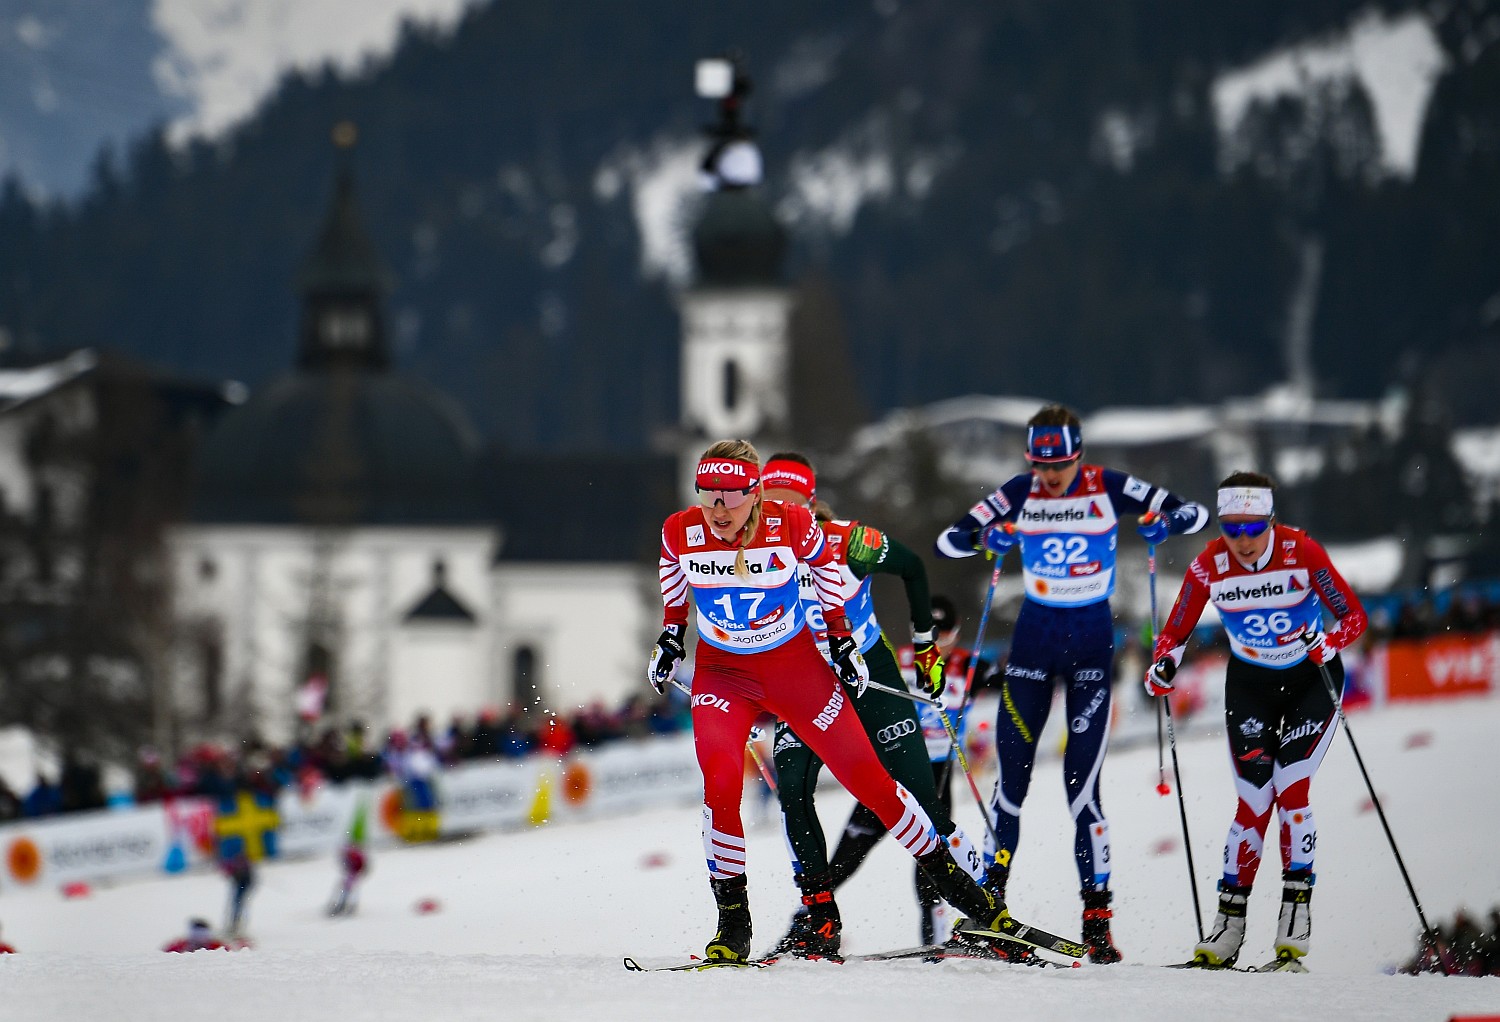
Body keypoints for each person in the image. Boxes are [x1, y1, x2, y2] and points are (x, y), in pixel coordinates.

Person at [651, 440, 1009, 964]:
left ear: (754, 495)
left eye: (730, 496)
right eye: (708, 495)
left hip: (795, 670)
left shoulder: (794, 525)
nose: (718, 509)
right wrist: (669, 637)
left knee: (871, 781)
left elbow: (826, 577)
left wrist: (841, 641)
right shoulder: (680, 530)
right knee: (721, 783)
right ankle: (734, 922)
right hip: (724, 675)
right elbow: (674, 585)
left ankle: (957, 886)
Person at [936, 403, 1209, 963]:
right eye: (1041, 464)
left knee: (1083, 791)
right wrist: (990, 538)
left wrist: (1164, 522)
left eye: (1058, 464)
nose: (1050, 475)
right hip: (1033, 644)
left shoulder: (1107, 485)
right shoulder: (1020, 490)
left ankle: (1097, 921)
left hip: (1089, 646)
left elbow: (1195, 515)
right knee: (1010, 785)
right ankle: (992, 909)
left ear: (1078, 456)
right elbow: (949, 540)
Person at [757, 455, 990, 960]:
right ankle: (820, 919)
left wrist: (926, 646)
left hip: (869, 676)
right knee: (792, 791)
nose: (777, 512)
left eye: (788, 503)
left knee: (926, 807)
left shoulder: (847, 540)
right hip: (806, 689)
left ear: (809, 504)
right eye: (768, 502)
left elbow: (911, 567)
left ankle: (988, 908)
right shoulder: (746, 555)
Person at [1146, 471, 1367, 972]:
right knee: (1252, 803)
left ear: (1270, 521)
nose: (1243, 541)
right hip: (1250, 686)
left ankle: (1292, 939)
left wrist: (1329, 643)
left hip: (1312, 681)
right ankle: (1226, 934)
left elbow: (1353, 617)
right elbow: (1175, 630)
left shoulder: (1302, 551)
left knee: (1291, 790)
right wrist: (1163, 664)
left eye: (1253, 528)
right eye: (1232, 529)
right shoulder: (1209, 565)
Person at [222, 851, 255, 939]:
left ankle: (236, 925)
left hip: (242, 886)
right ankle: (236, 924)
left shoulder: (238, 864)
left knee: (238, 905)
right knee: (238, 905)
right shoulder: (242, 864)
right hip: (241, 886)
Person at [163, 918, 229, 953]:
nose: (199, 938)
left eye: (202, 934)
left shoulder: (217, 946)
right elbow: (164, 957)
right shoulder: (179, 946)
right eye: (196, 934)